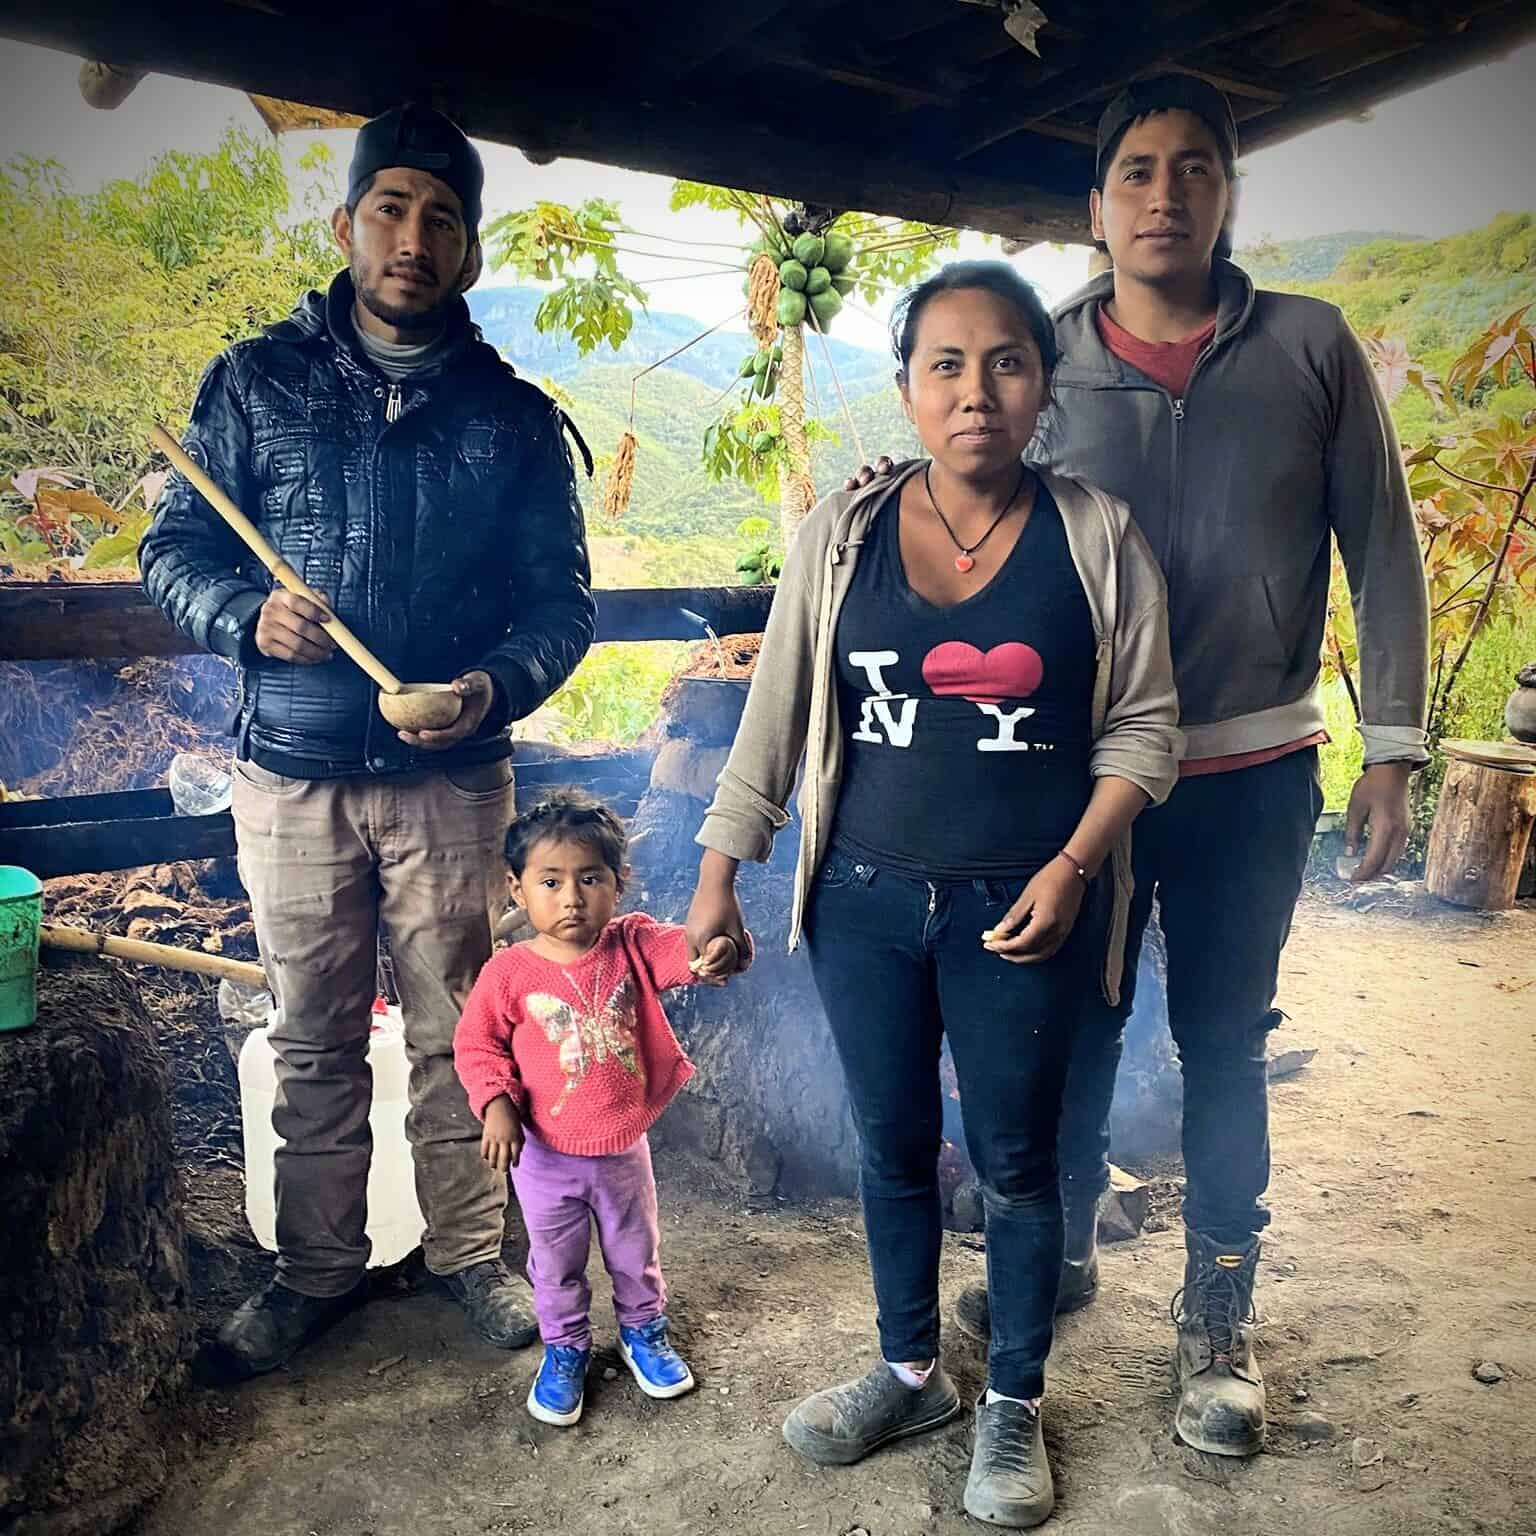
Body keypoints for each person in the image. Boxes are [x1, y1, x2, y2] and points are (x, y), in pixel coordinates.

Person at [850, 75, 1430, 1460]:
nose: (1165, 195)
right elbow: (975, 503)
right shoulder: (1041, 361)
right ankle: (1066, 1255)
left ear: (1228, 194)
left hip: (1250, 770)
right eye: (1137, 173)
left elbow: (1385, 548)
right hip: (1083, 782)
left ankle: (1217, 1320)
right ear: (1095, 205)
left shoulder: (1309, 347)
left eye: (1194, 169)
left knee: (1223, 1042)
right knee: (1077, 1033)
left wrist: (1393, 750)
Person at [687, 262, 1181, 1528]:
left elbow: (1143, 733)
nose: (976, 391)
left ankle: (1012, 1402)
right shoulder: (841, 536)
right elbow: (775, 718)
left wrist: (1073, 871)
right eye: (945, 366)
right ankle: (911, 1372)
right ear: (905, 390)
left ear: (1041, 384)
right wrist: (716, 879)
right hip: (861, 898)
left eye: (1006, 362)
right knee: (892, 1145)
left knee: (1018, 1161)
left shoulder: (1096, 535)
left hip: (1027, 906)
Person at [139, 104, 597, 1376]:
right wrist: (243, 615)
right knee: (312, 1033)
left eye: (442, 218)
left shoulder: (510, 418)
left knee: (466, 1034)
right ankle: (315, 1273)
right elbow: (171, 548)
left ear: (469, 253)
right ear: (346, 227)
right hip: (288, 772)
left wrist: (491, 689)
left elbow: (563, 606)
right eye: (390, 210)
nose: (413, 237)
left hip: (451, 781)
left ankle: (467, 1258)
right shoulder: (253, 383)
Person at [453, 790, 741, 1425]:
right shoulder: (507, 974)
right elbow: (476, 1045)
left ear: (619, 883)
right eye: (550, 881)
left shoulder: (631, 945)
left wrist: (716, 948)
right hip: (543, 1158)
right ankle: (565, 1348)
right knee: (553, 1263)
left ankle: (644, 1332)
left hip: (620, 1151)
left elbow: (685, 953)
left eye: (591, 879)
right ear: (516, 887)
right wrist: (496, 1102)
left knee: (634, 1249)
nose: (572, 898)